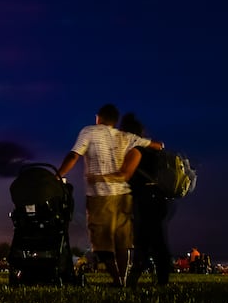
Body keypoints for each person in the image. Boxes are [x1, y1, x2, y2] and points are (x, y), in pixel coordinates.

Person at [58, 104, 162, 287]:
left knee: (102, 242)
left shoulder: (89, 131)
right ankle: (123, 278)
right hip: (123, 195)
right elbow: (154, 145)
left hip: (100, 196)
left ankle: (118, 280)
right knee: (123, 240)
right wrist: (158, 146)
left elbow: (74, 155)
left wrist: (57, 175)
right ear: (115, 121)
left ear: (98, 117)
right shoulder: (124, 136)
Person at [89, 113, 174, 287]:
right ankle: (137, 281)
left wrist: (100, 177)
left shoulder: (136, 150)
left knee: (151, 240)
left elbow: (126, 174)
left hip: (146, 199)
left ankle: (151, 280)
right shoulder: (151, 149)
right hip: (157, 198)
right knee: (148, 240)